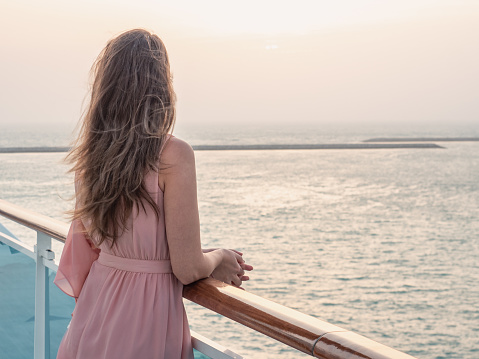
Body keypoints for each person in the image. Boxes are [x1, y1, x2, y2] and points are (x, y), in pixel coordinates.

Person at [54, 29, 253, 359]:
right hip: (144, 322)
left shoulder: (90, 158)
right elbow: (188, 269)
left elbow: (117, 241)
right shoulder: (173, 154)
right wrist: (218, 256)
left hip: (94, 315)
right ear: (161, 86)